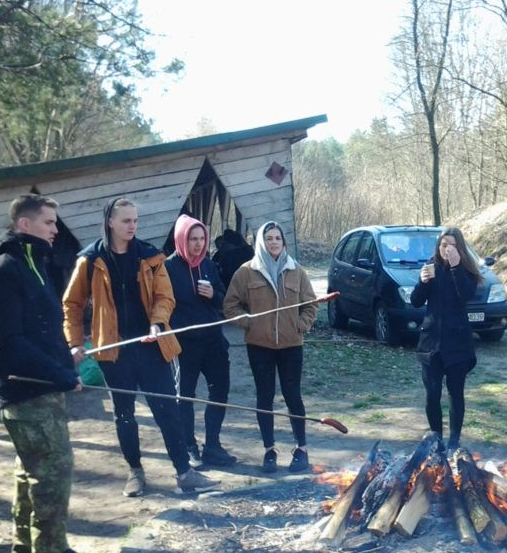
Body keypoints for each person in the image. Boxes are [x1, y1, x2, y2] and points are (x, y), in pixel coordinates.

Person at [63, 198, 219, 497]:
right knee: (124, 414)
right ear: (110, 222)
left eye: (135, 220)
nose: (132, 226)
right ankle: (135, 473)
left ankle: (184, 473)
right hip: (113, 351)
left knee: (167, 411)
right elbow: (71, 304)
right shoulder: (90, 261)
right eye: (126, 221)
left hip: (151, 347)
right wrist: (73, 343)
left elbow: (165, 297)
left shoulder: (150, 256)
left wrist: (158, 324)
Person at [0, 194, 94, 553]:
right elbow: (8, 342)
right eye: (49, 223)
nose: (56, 229)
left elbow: (42, 328)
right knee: (54, 467)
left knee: (31, 470)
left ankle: (24, 549)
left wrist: (67, 359)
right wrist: (59, 374)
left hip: (43, 384)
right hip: (24, 389)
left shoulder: (34, 263)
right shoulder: (3, 271)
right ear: (24, 225)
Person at [223, 221, 318, 473]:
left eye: (278, 238)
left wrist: (301, 324)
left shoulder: (296, 270)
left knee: (292, 396)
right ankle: (269, 450)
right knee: (264, 397)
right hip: (259, 345)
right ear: (261, 243)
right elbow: (230, 306)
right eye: (269, 238)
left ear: (283, 242)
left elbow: (311, 304)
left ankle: (301, 448)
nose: (274, 242)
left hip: (291, 344)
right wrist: (249, 324)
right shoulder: (246, 272)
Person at [165, 214, 236, 468]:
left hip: (214, 341)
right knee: (185, 396)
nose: (197, 244)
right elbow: (163, 306)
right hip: (185, 345)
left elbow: (224, 301)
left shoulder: (208, 264)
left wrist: (212, 294)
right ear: (181, 239)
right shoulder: (168, 268)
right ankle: (189, 446)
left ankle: (213, 445)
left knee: (220, 391)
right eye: (192, 239)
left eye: (201, 238)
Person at [410, 227, 482, 450]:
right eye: (443, 244)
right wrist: (422, 282)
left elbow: (467, 294)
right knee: (432, 395)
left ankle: (454, 441)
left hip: (458, 344)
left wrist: (456, 266)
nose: (446, 249)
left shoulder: (466, 270)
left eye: (451, 245)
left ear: (459, 248)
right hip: (431, 343)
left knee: (455, 394)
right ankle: (436, 440)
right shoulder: (431, 268)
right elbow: (415, 301)